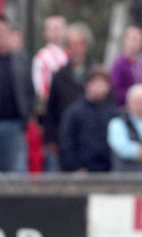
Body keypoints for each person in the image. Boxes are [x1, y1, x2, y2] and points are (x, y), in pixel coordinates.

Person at [0, 14, 35, 173]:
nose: (0, 36)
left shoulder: (22, 59)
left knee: (13, 170)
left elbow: (29, 91)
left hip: (15, 123)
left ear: (10, 34)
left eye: (4, 31)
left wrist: (26, 115)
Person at [43, 22, 94, 172]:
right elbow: (51, 109)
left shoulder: (97, 72)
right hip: (66, 139)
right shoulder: (59, 76)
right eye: (72, 44)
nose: (77, 48)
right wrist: (51, 138)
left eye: (80, 44)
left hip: (92, 139)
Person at [59, 67, 117, 172]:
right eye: (97, 84)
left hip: (108, 170)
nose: (101, 88)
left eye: (103, 84)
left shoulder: (113, 112)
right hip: (84, 171)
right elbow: (67, 143)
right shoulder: (74, 112)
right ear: (87, 85)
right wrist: (76, 167)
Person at [32, 15, 68, 102]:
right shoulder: (42, 56)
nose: (56, 32)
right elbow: (41, 88)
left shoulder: (71, 53)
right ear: (45, 32)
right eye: (52, 29)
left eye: (59, 28)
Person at [110, 25, 142, 106]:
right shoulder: (119, 63)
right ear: (125, 40)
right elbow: (115, 90)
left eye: (139, 40)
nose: (134, 43)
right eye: (132, 39)